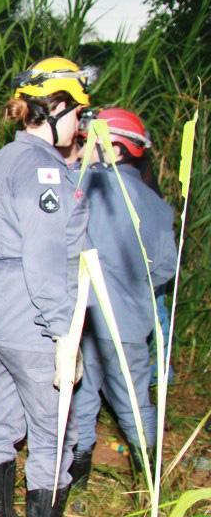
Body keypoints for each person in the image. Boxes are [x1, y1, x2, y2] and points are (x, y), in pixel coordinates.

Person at [0, 57, 92, 517]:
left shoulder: (6, 158)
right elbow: (45, 262)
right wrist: (64, 334)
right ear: (57, 107)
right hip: (30, 315)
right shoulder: (46, 172)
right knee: (52, 432)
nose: (81, 126)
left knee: (4, 408)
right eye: (78, 114)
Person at [66, 108, 177, 489]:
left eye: (89, 141)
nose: (83, 147)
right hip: (130, 321)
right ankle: (148, 487)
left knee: (84, 397)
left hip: (88, 315)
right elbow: (165, 268)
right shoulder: (157, 205)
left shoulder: (94, 185)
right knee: (131, 402)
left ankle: (77, 481)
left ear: (113, 146)